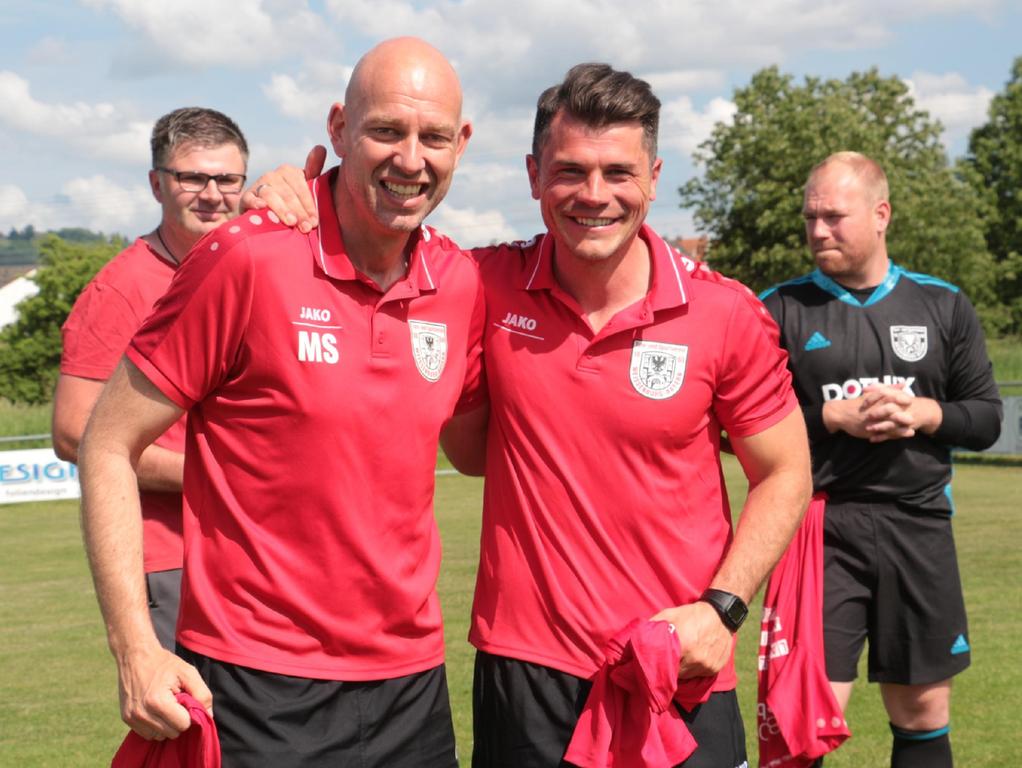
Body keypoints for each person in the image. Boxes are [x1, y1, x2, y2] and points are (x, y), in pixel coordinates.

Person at [254, 62, 812, 768]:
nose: (595, 196)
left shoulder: (724, 310)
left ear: (655, 175)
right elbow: (370, 227)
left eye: (618, 172)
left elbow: (787, 470)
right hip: (525, 675)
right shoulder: (480, 284)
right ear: (532, 174)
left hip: (679, 665)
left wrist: (722, 610)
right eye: (571, 171)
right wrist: (290, 195)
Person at [78, 37, 481, 767]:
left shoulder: (462, 283)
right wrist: (136, 649)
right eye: (386, 130)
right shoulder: (246, 258)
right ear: (338, 129)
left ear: (464, 143)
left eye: (434, 137)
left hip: (413, 685)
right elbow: (105, 442)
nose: (411, 159)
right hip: (257, 684)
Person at [759, 151, 1002, 768]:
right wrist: (828, 419)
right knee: (805, 717)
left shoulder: (942, 305)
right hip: (820, 530)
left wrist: (925, 414)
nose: (818, 231)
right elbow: (734, 429)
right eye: (810, 217)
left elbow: (986, 418)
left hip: (918, 526)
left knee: (922, 710)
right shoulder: (778, 309)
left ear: (881, 214)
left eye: (834, 217)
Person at [53, 106, 249, 650]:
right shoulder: (121, 289)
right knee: (193, 726)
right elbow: (73, 434)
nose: (212, 193)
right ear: (157, 185)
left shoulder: (245, 268)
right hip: (171, 560)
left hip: (251, 552)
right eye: (192, 177)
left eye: (228, 178)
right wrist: (217, 478)